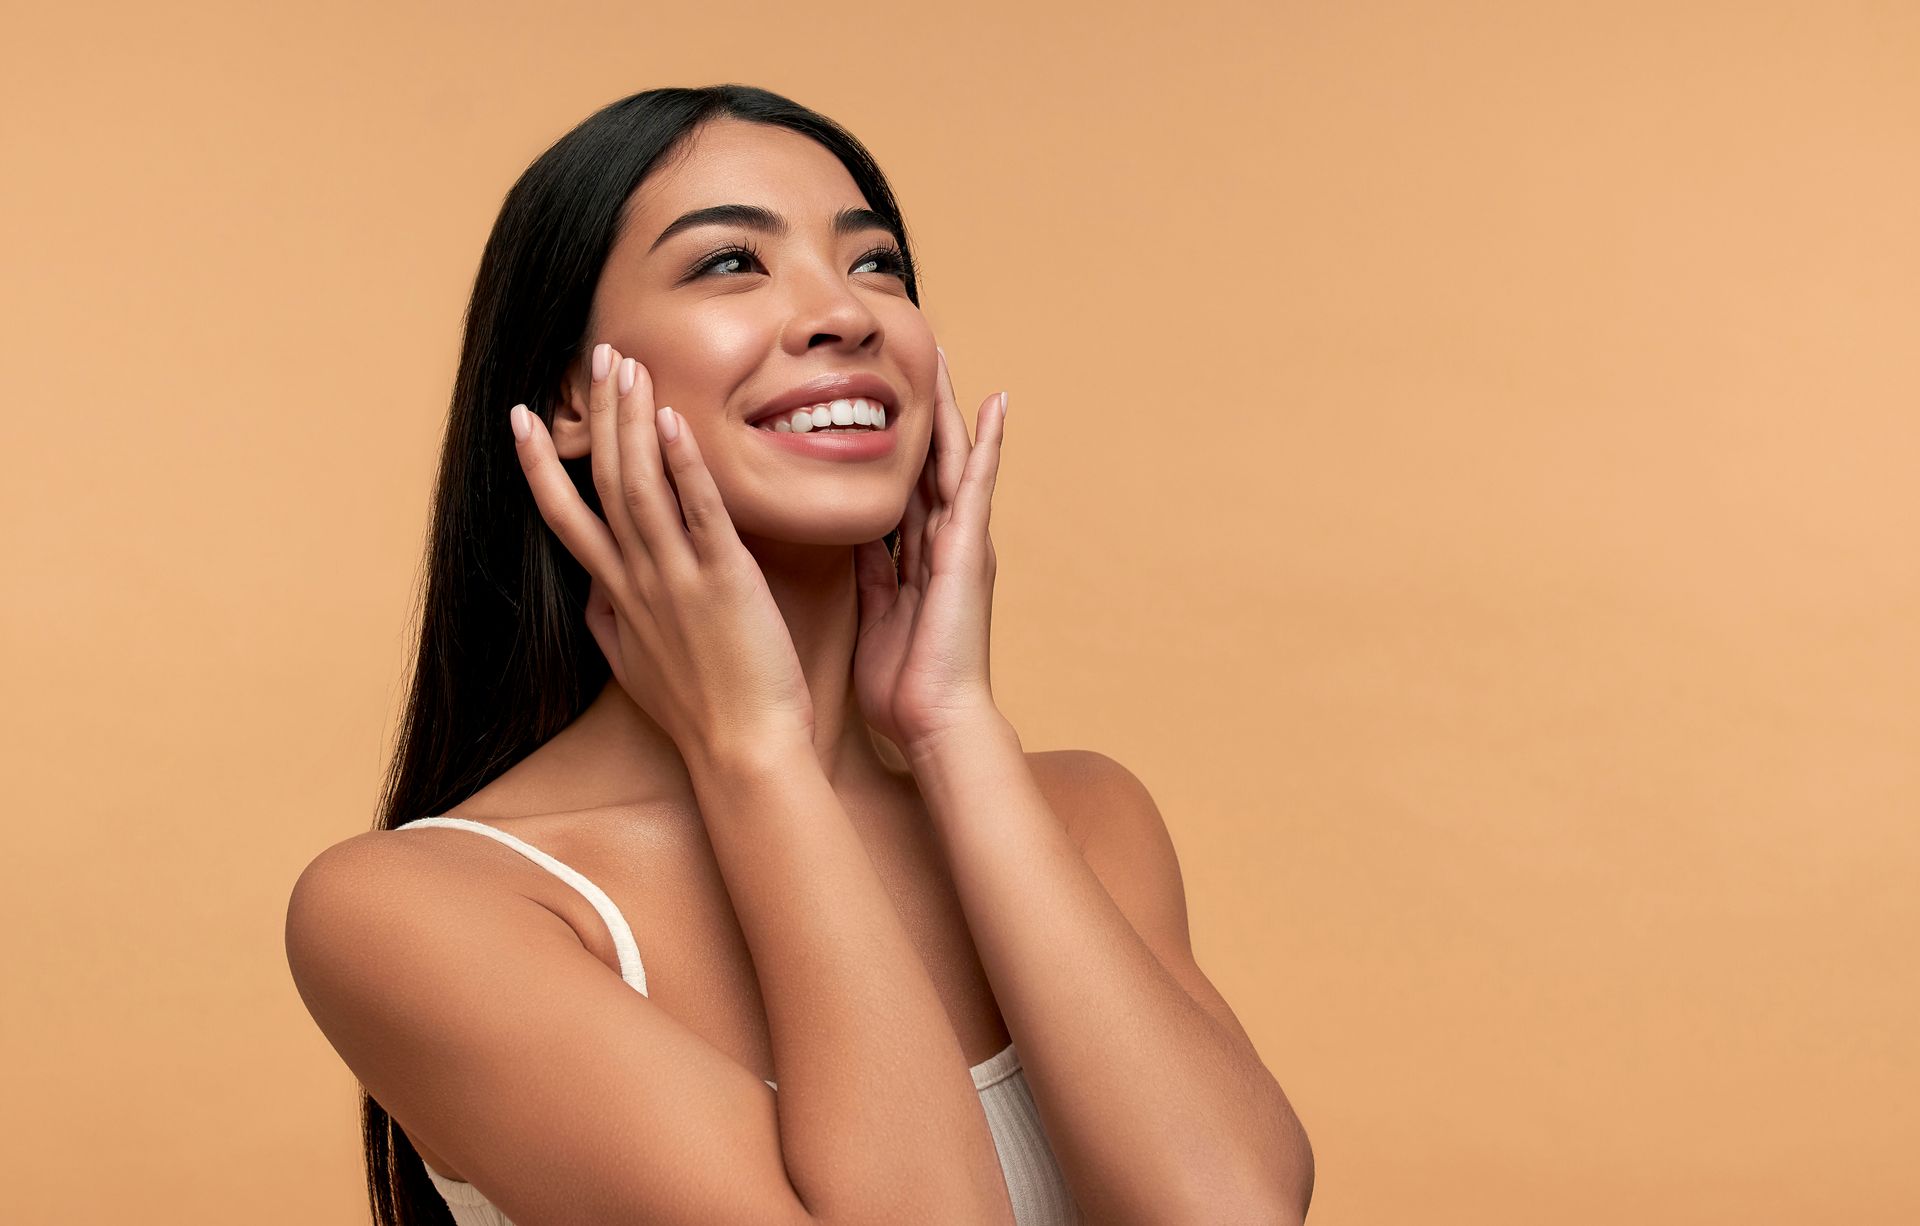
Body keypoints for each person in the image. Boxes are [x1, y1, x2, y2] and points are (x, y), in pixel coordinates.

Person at [284, 84, 1312, 1226]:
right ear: (570, 394)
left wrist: (953, 725)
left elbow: (1230, 1210)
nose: (846, 314)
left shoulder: (1079, 815)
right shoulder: (419, 910)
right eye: (731, 263)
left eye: (878, 266)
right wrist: (753, 753)